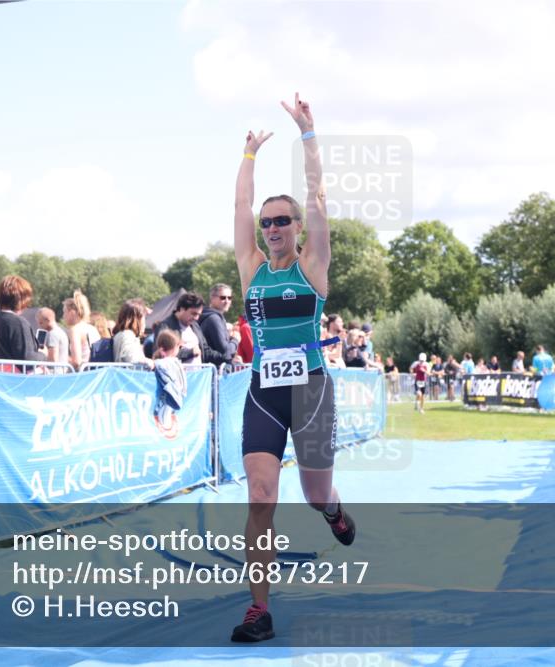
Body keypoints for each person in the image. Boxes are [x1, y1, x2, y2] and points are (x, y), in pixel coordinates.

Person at [230, 93, 354, 643]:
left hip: (309, 392)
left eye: (283, 220)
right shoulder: (252, 269)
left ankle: (333, 512)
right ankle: (259, 609)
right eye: (268, 222)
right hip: (263, 392)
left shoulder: (312, 269)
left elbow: (319, 195)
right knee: (261, 495)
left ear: (299, 228)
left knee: (313, 494)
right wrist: (250, 155)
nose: (273, 227)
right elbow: (238, 209)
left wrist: (308, 133)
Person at [0, 275, 46, 368]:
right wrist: (42, 354)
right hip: (18, 380)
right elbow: (27, 360)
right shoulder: (18, 323)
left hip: (0, 377)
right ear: (22, 299)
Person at [150, 293, 208, 365]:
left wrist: (224, 357)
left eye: (199, 315)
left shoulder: (195, 326)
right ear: (182, 309)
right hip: (177, 374)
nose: (196, 318)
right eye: (193, 313)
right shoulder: (165, 327)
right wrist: (189, 353)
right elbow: (159, 354)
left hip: (198, 374)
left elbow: (206, 350)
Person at [199, 283, 241, 368]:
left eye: (229, 298)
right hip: (214, 372)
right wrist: (235, 340)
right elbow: (225, 351)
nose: (227, 301)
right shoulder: (213, 319)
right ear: (212, 298)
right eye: (223, 297)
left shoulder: (216, 317)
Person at [112, 300, 155, 368]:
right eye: (144, 318)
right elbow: (131, 358)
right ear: (137, 319)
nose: (144, 322)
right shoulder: (128, 335)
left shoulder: (124, 334)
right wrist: (147, 362)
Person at [63, 290, 98, 371]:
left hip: (82, 375)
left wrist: (61, 359)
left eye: (64, 312)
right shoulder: (92, 329)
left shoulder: (75, 330)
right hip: (94, 373)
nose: (63, 316)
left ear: (71, 312)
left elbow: (76, 362)